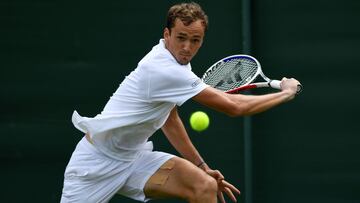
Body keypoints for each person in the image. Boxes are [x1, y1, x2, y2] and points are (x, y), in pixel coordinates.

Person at [61, 2, 300, 203]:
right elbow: (234, 107)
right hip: (95, 165)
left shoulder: (177, 63)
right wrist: (285, 93)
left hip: (133, 159)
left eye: (195, 40)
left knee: (204, 186)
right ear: (167, 35)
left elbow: (170, 118)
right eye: (181, 38)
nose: (187, 48)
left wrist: (201, 165)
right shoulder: (164, 69)